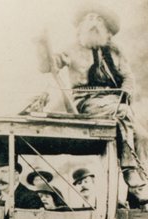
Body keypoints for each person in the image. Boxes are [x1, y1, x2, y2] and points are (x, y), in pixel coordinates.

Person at [35, 2, 148, 175]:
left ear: (108, 32)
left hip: (116, 102)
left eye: (99, 20)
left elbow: (128, 76)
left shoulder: (117, 52)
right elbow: (48, 66)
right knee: (124, 112)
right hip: (88, 101)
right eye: (90, 18)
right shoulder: (71, 49)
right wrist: (41, 47)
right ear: (80, 28)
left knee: (143, 137)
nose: (95, 22)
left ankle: (142, 180)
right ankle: (130, 169)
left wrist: (125, 92)